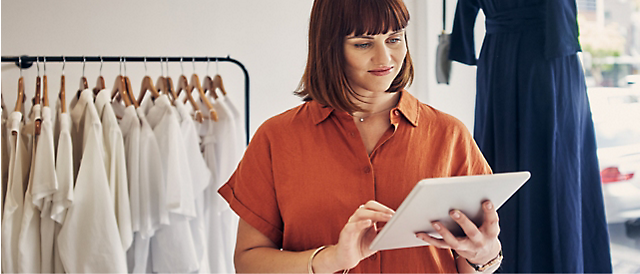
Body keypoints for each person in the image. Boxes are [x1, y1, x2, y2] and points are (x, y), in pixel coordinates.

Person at [219, 0, 502, 272]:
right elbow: (248, 263)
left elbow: (473, 260)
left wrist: (485, 256)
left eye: (394, 39)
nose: (385, 58)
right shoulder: (276, 139)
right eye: (363, 43)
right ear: (329, 48)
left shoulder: (450, 135)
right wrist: (331, 259)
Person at [448, 0, 613, 272]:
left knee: (515, 162)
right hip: (548, 59)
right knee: (557, 168)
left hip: (506, 55)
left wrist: (462, 42)